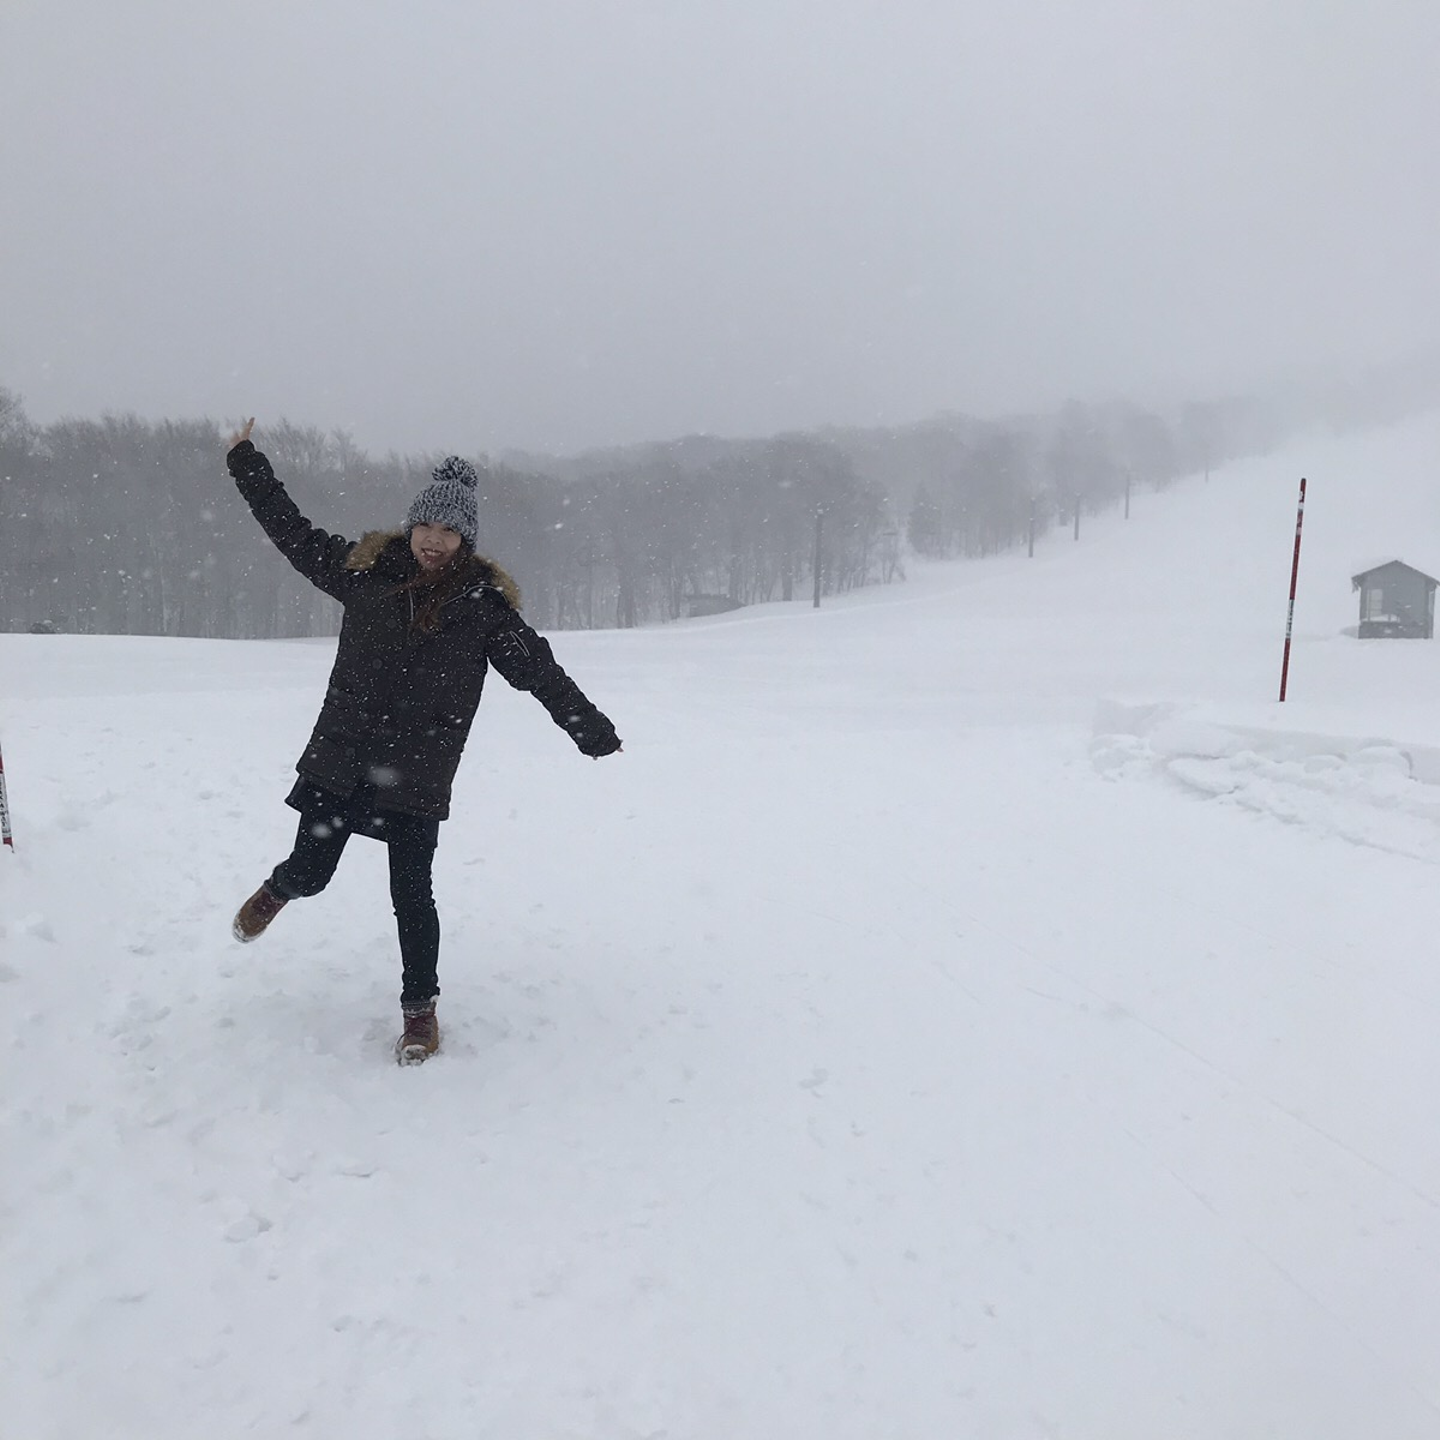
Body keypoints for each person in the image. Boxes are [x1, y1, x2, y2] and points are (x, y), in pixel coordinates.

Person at [225, 418, 622, 1064]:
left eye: (449, 532)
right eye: (426, 527)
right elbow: (291, 532)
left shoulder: (482, 608)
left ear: (466, 540)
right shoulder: (363, 574)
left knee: (412, 895)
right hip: (342, 758)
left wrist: (589, 728)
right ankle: (277, 891)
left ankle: (419, 1015)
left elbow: (539, 671)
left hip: (416, 773)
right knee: (311, 872)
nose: (434, 541)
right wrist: (247, 464)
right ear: (410, 526)